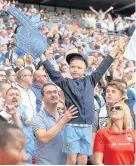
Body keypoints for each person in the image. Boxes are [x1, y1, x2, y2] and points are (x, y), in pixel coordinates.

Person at [40, 44, 122, 164]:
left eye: (79, 67)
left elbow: (103, 66)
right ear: (69, 69)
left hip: (87, 128)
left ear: (85, 70)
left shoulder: (91, 80)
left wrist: (114, 51)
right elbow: (52, 72)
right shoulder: (65, 83)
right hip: (72, 126)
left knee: (83, 159)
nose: (75, 69)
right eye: (72, 67)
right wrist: (41, 56)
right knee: (72, 159)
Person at [31, 83, 78, 165]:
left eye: (55, 92)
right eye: (49, 93)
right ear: (42, 98)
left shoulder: (65, 118)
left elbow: (69, 143)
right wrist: (63, 121)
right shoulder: (38, 118)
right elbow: (43, 138)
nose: (53, 95)